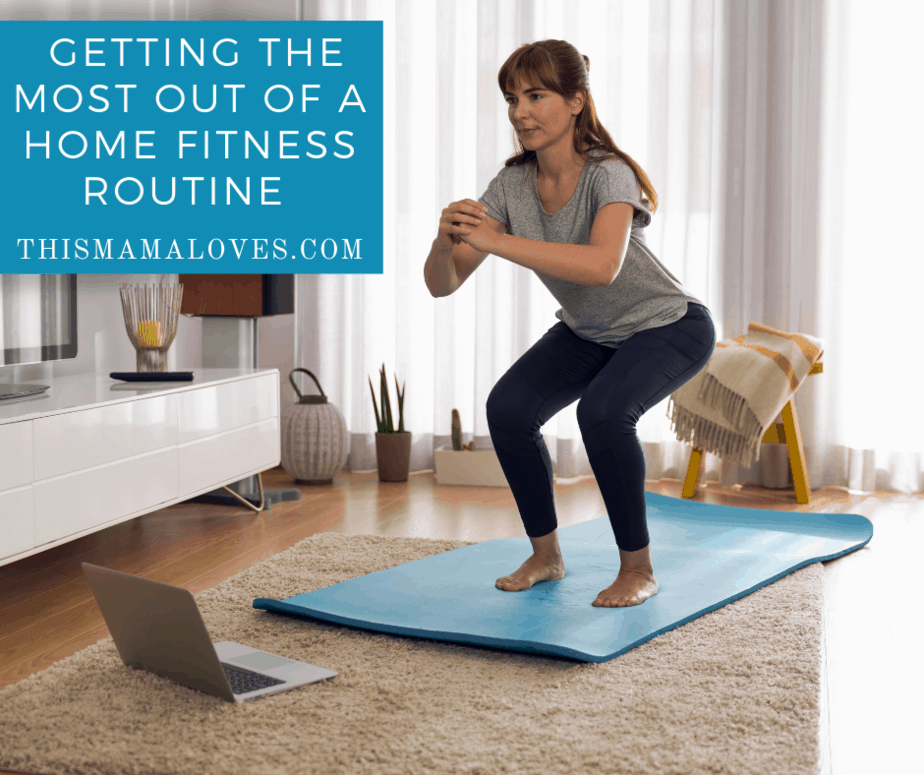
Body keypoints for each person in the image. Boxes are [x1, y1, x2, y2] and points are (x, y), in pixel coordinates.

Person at [423, 40, 716, 608]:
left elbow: (603, 267)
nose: (519, 112)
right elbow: (443, 282)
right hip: (590, 333)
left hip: (668, 324)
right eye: (512, 99)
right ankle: (546, 555)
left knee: (603, 413)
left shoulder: (611, 174)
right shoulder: (511, 185)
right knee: (508, 409)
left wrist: (499, 241)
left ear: (577, 101)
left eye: (536, 96)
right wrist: (443, 242)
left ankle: (638, 569)